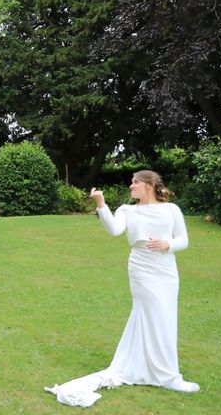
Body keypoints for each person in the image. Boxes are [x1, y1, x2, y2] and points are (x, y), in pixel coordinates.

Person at [45, 170, 200, 408]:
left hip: (166, 270)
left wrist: (167, 244)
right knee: (155, 315)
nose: (131, 185)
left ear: (150, 184)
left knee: (166, 318)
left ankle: (158, 370)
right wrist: (101, 204)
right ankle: (168, 377)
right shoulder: (128, 210)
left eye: (135, 182)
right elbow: (114, 230)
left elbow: (183, 240)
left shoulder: (172, 209)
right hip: (142, 268)